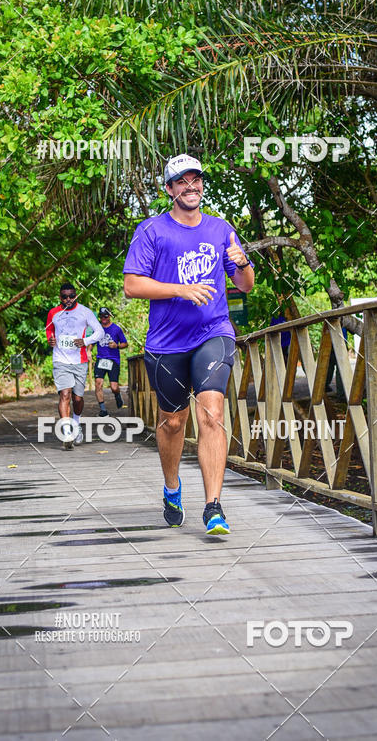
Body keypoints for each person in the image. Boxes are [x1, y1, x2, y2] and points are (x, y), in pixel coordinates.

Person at [123, 153, 255, 535]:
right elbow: (133, 285)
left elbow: (246, 285)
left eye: (195, 179)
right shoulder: (152, 232)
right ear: (169, 189)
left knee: (211, 412)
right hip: (166, 343)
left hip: (213, 331)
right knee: (173, 422)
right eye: (182, 181)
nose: (191, 186)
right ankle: (171, 487)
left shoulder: (220, 229)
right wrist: (181, 290)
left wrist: (242, 262)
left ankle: (214, 506)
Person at [45, 282, 103, 450]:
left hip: (80, 360)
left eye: (71, 296)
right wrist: (51, 340)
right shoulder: (53, 313)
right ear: (60, 297)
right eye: (64, 297)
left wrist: (85, 341)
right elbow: (49, 331)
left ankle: (76, 423)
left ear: (76, 296)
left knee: (77, 398)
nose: (68, 299)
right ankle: (66, 431)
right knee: (65, 394)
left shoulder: (85, 312)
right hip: (60, 360)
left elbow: (100, 332)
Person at [94, 307, 128, 416]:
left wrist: (116, 346)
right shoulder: (97, 328)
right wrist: (89, 351)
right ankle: (103, 410)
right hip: (101, 359)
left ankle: (117, 396)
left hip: (113, 360)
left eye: (105, 316)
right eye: (101, 316)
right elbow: (92, 341)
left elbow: (125, 343)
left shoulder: (116, 329)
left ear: (109, 316)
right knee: (98, 383)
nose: (103, 318)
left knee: (114, 387)